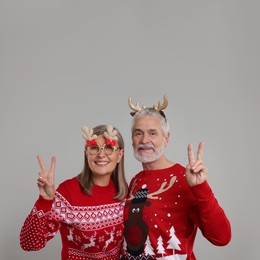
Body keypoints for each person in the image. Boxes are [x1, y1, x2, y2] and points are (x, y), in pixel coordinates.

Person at [121, 96, 231, 260]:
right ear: (132, 140)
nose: (144, 140)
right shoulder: (136, 180)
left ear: (166, 138)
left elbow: (222, 237)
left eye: (153, 133)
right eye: (138, 133)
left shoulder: (184, 179)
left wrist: (202, 188)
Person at [20, 124, 128, 259]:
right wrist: (45, 201)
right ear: (86, 153)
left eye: (108, 148)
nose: (101, 154)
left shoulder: (124, 194)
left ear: (119, 155)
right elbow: (29, 243)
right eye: (94, 148)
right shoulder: (68, 192)